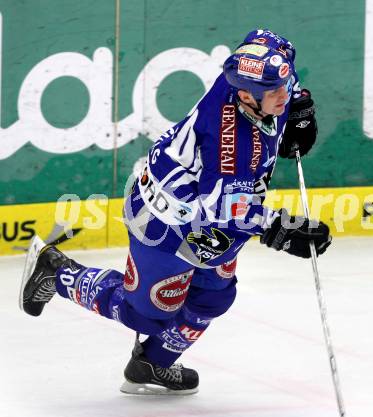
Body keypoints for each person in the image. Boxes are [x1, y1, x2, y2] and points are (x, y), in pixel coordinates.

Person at [19, 29, 331, 395]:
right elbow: (225, 210)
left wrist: (299, 103)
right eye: (276, 93)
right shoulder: (231, 146)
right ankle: (56, 271)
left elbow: (267, 40)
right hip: (165, 222)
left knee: (213, 297)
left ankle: (151, 364)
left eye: (284, 85)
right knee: (146, 315)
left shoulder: (260, 72)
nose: (284, 93)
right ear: (246, 97)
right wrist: (281, 228)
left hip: (212, 220)